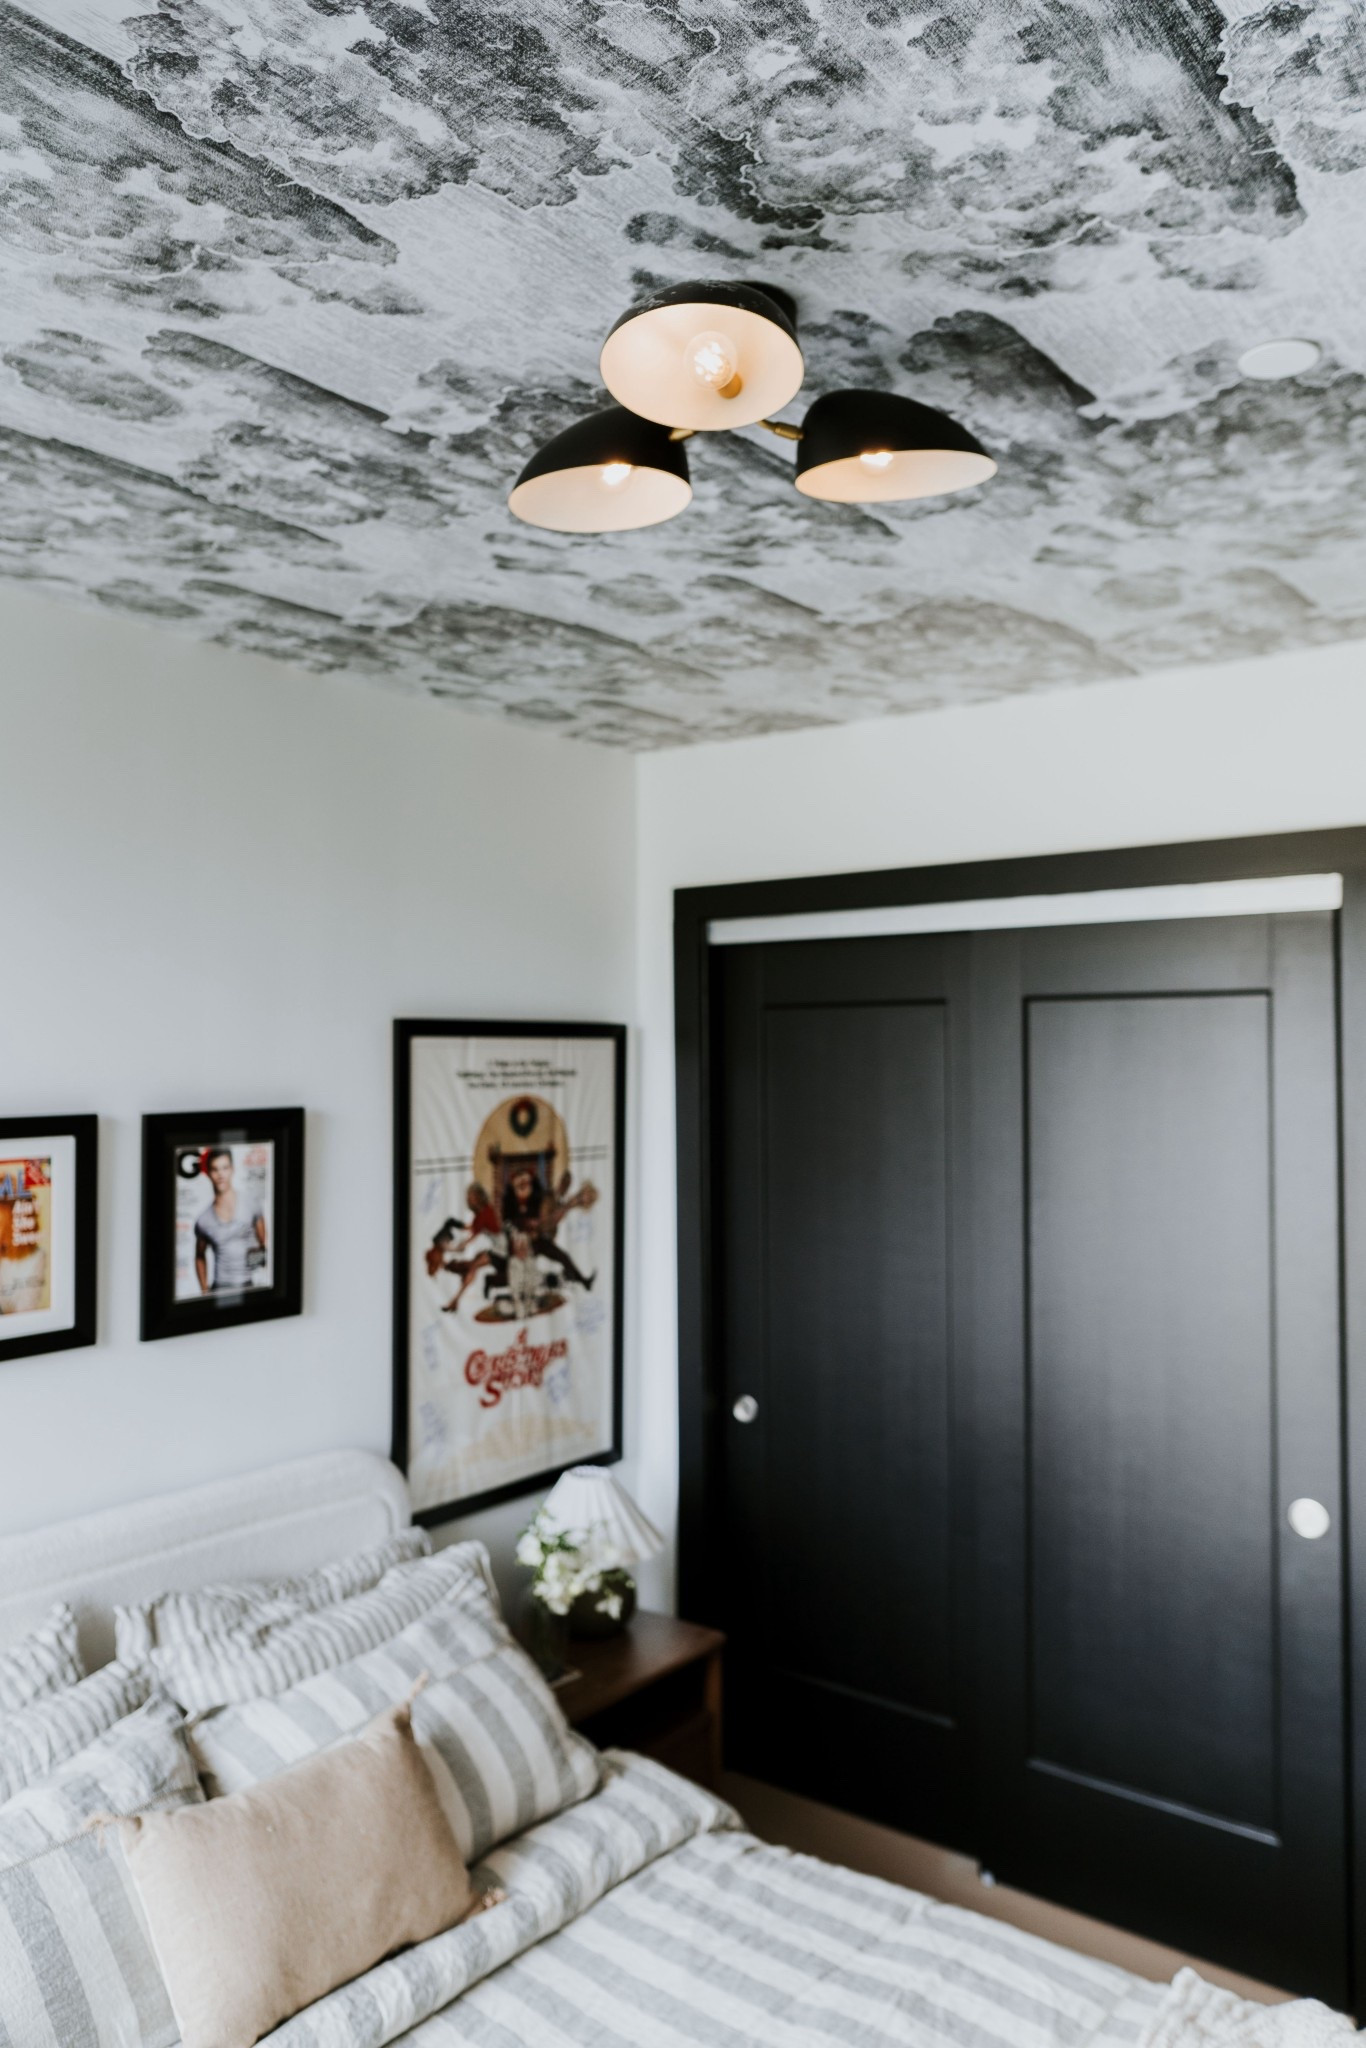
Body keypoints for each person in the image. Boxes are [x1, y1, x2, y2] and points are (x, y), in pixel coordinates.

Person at [194, 1148, 267, 1294]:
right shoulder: (203, 1220)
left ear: (232, 1169)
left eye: (225, 1168)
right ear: (208, 1173)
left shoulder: (250, 1203)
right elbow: (199, 1255)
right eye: (215, 1169)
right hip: (219, 1288)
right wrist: (204, 1291)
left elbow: (263, 1243)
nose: (220, 1174)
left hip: (248, 1285)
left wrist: (255, 1272)